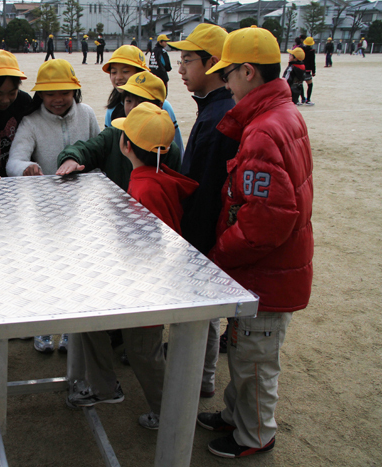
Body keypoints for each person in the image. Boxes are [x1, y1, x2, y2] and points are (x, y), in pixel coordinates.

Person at [197, 26, 313, 459]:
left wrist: (221, 252)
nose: (225, 83)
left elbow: (268, 220)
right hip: (275, 267)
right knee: (246, 351)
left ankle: (256, 434)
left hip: (268, 272)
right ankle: (235, 415)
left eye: (228, 75)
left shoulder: (263, 129)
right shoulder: (283, 113)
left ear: (248, 72)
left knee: (256, 361)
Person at [65, 103, 198, 433]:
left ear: (125, 145)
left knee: (144, 355)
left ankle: (169, 415)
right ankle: (104, 387)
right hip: (145, 283)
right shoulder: (156, 177)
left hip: (145, 290)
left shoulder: (144, 188)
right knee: (92, 322)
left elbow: (142, 248)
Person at [6, 58, 100, 354]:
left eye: (65, 92)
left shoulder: (87, 115)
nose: (58, 99)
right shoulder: (31, 121)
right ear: (40, 96)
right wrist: (28, 167)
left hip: (81, 209)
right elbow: (13, 161)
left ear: (75, 91)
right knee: (44, 270)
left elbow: (99, 150)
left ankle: (72, 330)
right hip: (44, 211)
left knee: (80, 270)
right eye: (50, 93)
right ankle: (43, 328)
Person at [168, 24, 240, 399]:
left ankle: (200, 379)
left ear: (213, 62)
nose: (180, 69)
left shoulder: (219, 116)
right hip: (202, 228)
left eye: (187, 60)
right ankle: (201, 374)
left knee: (203, 310)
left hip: (203, 232)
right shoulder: (213, 108)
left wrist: (191, 240)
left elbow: (208, 189)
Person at [56, 70, 181, 190]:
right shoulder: (114, 134)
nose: (132, 108)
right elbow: (88, 149)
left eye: (141, 102)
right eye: (128, 101)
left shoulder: (167, 148)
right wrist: (71, 158)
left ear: (159, 106)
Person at [102, 45, 149, 125]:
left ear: (140, 73)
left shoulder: (158, 104)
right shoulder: (112, 108)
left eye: (125, 71)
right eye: (113, 72)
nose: (118, 77)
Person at [301, 37, 315, 105]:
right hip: (308, 70)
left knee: (300, 84)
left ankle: (303, 98)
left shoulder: (301, 49)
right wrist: (313, 71)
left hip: (301, 68)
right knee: (310, 85)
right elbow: (312, 62)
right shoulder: (311, 51)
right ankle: (308, 99)